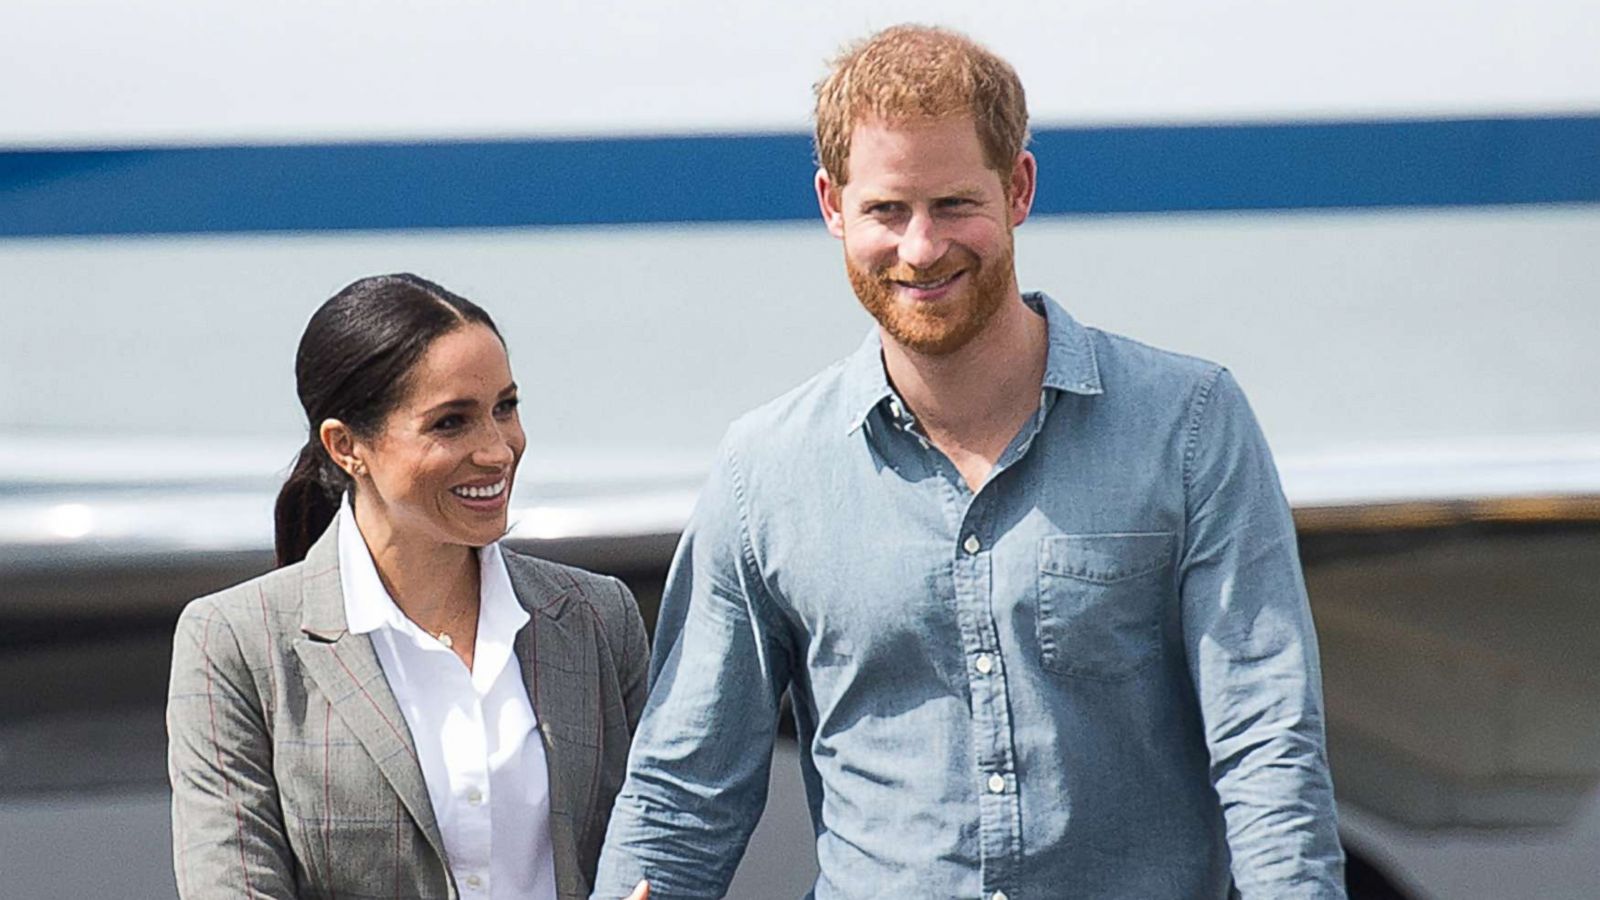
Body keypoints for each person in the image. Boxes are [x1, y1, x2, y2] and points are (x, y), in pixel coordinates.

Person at [593, 25, 1345, 899]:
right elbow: (682, 795)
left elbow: (1267, 743)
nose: (920, 248)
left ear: (1018, 187)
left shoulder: (1189, 425)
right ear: (832, 206)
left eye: (954, 206)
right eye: (886, 210)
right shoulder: (765, 475)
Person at [167, 274, 651, 900]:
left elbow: (655, 844)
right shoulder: (233, 642)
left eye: (506, 407)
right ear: (346, 447)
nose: (498, 450)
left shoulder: (598, 617)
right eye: (452, 423)